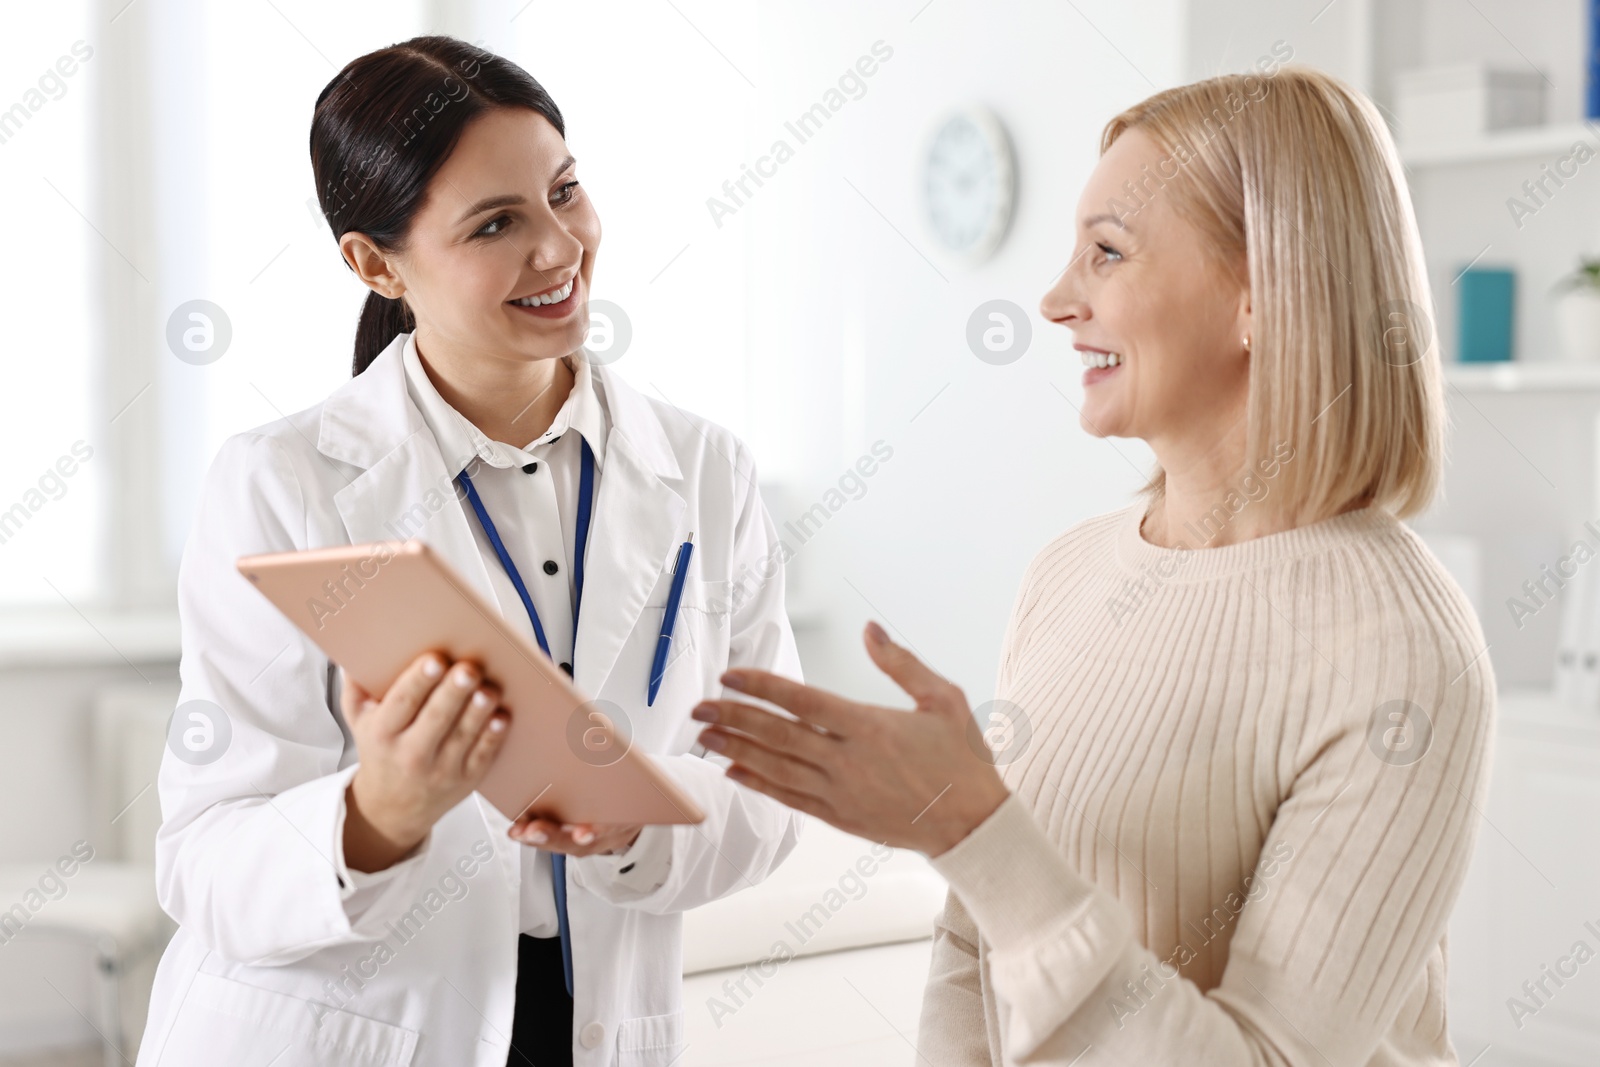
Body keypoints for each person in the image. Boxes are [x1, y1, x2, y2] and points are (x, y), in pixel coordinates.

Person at [690, 66, 1494, 1066]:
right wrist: (967, 842)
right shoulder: (1068, 573)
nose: (1056, 300)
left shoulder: (1401, 648)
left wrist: (976, 826)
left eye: (1105, 253)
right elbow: (971, 949)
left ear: (1261, 297)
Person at [136, 35, 802, 1067]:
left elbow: (766, 791)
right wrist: (379, 812)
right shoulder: (282, 482)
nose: (558, 248)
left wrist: (629, 825)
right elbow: (202, 863)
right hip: (336, 1033)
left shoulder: (708, 471)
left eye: (566, 192)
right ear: (373, 262)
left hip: (592, 1022)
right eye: (496, 223)